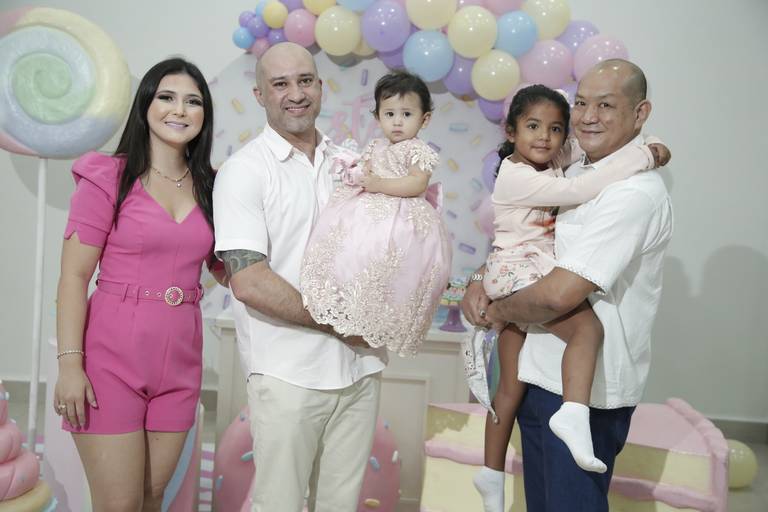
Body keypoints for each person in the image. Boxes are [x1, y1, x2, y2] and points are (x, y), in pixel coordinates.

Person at [463, 59, 674, 511]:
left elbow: (558, 294)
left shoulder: (632, 193)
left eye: (606, 105)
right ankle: (490, 475)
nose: (588, 116)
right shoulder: (571, 170)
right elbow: (525, 241)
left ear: (640, 113)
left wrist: (498, 310)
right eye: (581, 103)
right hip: (539, 374)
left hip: (589, 394)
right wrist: (480, 278)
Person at [212, 42, 387, 512]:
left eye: (305, 80)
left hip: (359, 368)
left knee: (340, 506)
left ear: (321, 87)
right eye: (280, 84)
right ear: (259, 95)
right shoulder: (243, 172)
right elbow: (249, 281)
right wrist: (341, 323)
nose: (296, 93)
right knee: (280, 504)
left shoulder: (352, 165)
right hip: (287, 374)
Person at [54, 58, 224, 511]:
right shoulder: (107, 178)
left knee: (151, 500)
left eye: (193, 101)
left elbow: (231, 268)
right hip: (109, 361)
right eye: (166, 97)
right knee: (120, 504)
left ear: (204, 114)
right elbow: (73, 277)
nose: (179, 110)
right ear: (145, 104)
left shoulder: (214, 188)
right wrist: (70, 366)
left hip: (181, 362)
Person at [300, 70, 452, 357]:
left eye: (406, 114)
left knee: (393, 264)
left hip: (402, 216)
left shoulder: (417, 150)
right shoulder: (376, 146)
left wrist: (378, 184)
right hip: (368, 212)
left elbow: (417, 183)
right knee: (352, 251)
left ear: (424, 119)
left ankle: (380, 312)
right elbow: (366, 171)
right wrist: (356, 173)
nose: (397, 121)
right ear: (378, 117)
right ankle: (346, 299)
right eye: (389, 114)